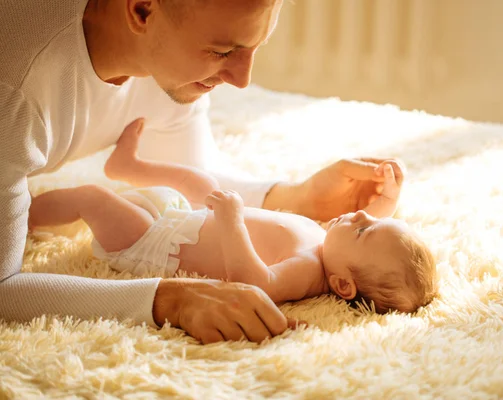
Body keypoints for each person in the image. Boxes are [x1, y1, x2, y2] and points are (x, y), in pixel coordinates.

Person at [0, 0, 398, 344]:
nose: (242, 80)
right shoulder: (17, 92)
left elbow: (195, 177)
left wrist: (298, 199)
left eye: (254, 46)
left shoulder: (167, 65)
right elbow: (4, 287)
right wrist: (171, 299)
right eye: (223, 51)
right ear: (141, 10)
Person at [28, 120, 438, 317]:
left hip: (153, 244)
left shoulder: (308, 268)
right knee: (197, 178)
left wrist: (232, 223)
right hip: (182, 219)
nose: (361, 214)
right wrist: (385, 207)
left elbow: (256, 283)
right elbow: (371, 239)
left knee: (92, 199)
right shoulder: (333, 246)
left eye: (364, 228)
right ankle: (128, 166)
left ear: (343, 285)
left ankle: (21, 217)